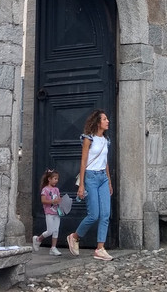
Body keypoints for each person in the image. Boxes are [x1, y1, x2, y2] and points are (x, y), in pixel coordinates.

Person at [67, 109, 113, 261]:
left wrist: (109, 181)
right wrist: (81, 185)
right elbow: (83, 162)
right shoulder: (89, 139)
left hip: (103, 178)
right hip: (91, 178)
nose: (107, 121)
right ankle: (74, 236)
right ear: (98, 122)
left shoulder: (105, 140)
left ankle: (100, 248)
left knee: (105, 214)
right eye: (104, 119)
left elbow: (105, 162)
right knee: (94, 215)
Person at [32, 168, 62, 256]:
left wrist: (61, 202)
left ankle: (53, 248)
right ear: (49, 179)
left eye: (57, 179)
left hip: (57, 212)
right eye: (55, 178)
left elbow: (58, 199)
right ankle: (38, 239)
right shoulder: (45, 189)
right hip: (49, 213)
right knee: (50, 231)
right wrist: (53, 201)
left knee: (56, 230)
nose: (57, 180)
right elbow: (43, 200)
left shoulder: (56, 189)